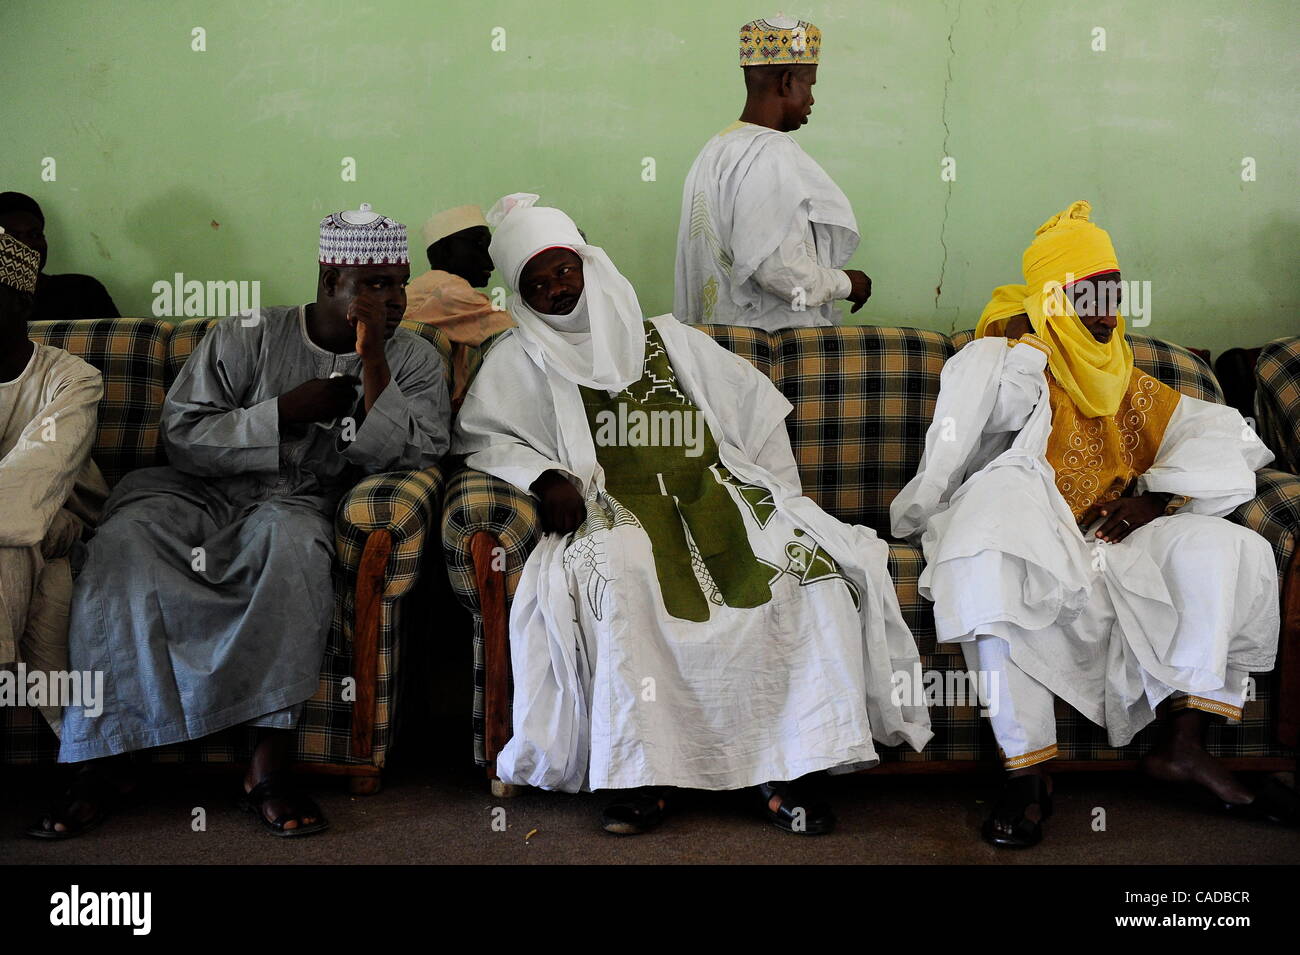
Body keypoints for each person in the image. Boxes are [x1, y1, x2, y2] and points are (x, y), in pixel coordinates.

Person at [456, 194, 930, 835]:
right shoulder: (520, 359)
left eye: (564, 270)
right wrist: (543, 477)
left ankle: (782, 769)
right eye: (537, 284)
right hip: (615, 506)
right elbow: (486, 438)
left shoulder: (667, 337)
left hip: (717, 492)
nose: (556, 289)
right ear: (521, 296)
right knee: (620, 584)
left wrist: (781, 499)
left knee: (799, 580)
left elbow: (755, 411)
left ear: (589, 264)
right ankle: (647, 774)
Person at [31, 204, 450, 839]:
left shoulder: (415, 358)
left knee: (294, 551)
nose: (393, 299)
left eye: (399, 282)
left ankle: (267, 763)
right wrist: (281, 411)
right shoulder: (247, 332)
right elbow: (183, 435)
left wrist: (373, 369)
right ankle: (105, 757)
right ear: (328, 279)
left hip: (296, 499)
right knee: (122, 547)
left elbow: (418, 455)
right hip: (194, 493)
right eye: (374, 284)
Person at [891, 200, 1294, 847]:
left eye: (1113, 292)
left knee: (1231, 547)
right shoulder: (1007, 358)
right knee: (994, 542)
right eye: (1088, 296)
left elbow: (1221, 439)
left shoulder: (1126, 377)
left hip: (1104, 545)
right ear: (1052, 298)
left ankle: (1183, 746)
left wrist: (1155, 501)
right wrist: (1015, 351)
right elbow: (962, 453)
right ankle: (1030, 771)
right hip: (1022, 529)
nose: (1107, 311)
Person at [674, 16, 869, 329]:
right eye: (810, 85)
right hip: (768, 349)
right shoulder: (771, 152)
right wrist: (845, 283)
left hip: (714, 342)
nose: (812, 99)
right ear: (788, 81)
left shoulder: (716, 149)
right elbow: (778, 271)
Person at [1, 228, 108, 736]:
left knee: (13, 538)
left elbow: (31, 485)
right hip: (20, 540)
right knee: (9, 552)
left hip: (62, 521)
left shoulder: (72, 379)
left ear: (20, 300)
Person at [403, 204, 513, 412]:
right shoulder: (444, 288)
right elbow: (515, 336)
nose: (490, 260)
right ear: (445, 250)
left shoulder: (432, 286)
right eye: (479, 245)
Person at [0, 192, 120, 322]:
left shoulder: (82, 291)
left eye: (35, 235)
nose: (27, 244)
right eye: (12, 237)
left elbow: (117, 340)